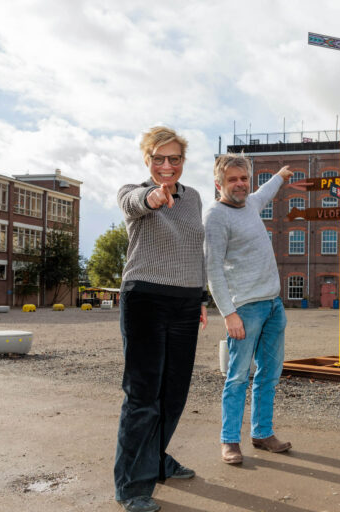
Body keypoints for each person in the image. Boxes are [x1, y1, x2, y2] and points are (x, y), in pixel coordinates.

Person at [114, 126, 208, 512]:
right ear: (147, 160)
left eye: (174, 159)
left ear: (183, 162)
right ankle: (132, 485)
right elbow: (137, 202)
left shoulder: (196, 198)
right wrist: (153, 196)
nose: (167, 166)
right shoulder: (132, 192)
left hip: (186, 303)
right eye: (158, 158)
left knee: (173, 395)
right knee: (143, 397)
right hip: (145, 300)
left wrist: (200, 295)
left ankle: (155, 460)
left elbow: (193, 250)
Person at [204, 154, 307, 464]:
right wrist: (228, 313)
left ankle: (262, 433)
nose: (240, 184)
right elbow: (213, 270)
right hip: (245, 309)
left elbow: (266, 192)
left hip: (274, 305)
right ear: (218, 184)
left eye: (244, 178)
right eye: (233, 179)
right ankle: (229, 441)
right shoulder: (215, 217)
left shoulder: (250, 203)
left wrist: (281, 175)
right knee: (237, 377)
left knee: (269, 375)